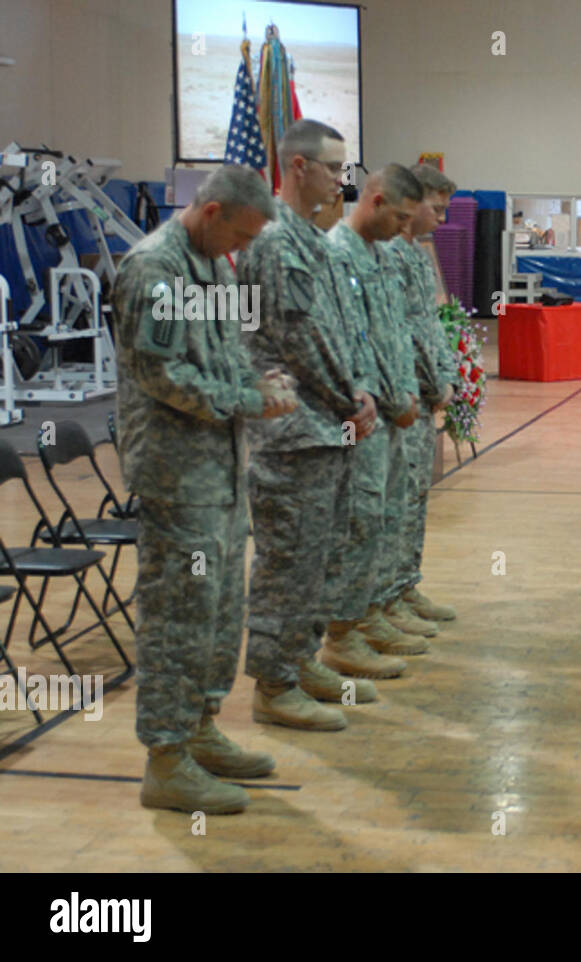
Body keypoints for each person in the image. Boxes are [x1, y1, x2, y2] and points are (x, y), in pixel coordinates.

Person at [114, 164, 296, 813]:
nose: (241, 251)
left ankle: (199, 727)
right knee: (177, 615)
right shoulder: (153, 269)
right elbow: (162, 374)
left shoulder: (214, 265)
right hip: (175, 474)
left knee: (220, 611)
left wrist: (261, 380)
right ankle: (165, 758)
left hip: (219, 465)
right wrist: (248, 399)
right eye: (239, 235)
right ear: (211, 211)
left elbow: (224, 352)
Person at [238, 119, 385, 729]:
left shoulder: (311, 240)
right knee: (288, 561)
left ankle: (299, 660)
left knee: (320, 554)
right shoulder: (276, 242)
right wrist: (348, 395)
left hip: (328, 424)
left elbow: (339, 328)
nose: (341, 181)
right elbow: (299, 340)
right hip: (295, 429)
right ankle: (274, 685)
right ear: (298, 168)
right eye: (333, 168)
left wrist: (361, 390)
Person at [326, 164, 428, 669]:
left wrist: (408, 392)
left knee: (385, 515)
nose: (403, 228)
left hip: (391, 412)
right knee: (359, 522)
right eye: (399, 217)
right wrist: (387, 399)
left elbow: (396, 334)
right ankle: (345, 633)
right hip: (361, 416)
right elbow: (351, 345)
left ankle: (374, 610)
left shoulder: (380, 254)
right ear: (376, 200)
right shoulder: (336, 254)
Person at [380, 163, 462, 632]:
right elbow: (400, 331)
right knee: (393, 501)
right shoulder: (388, 254)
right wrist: (432, 384)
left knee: (414, 497)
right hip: (400, 397)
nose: (442, 219)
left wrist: (445, 379)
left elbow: (431, 325)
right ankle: (385, 598)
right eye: (436, 208)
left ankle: (404, 585)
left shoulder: (414, 255)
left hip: (421, 393)